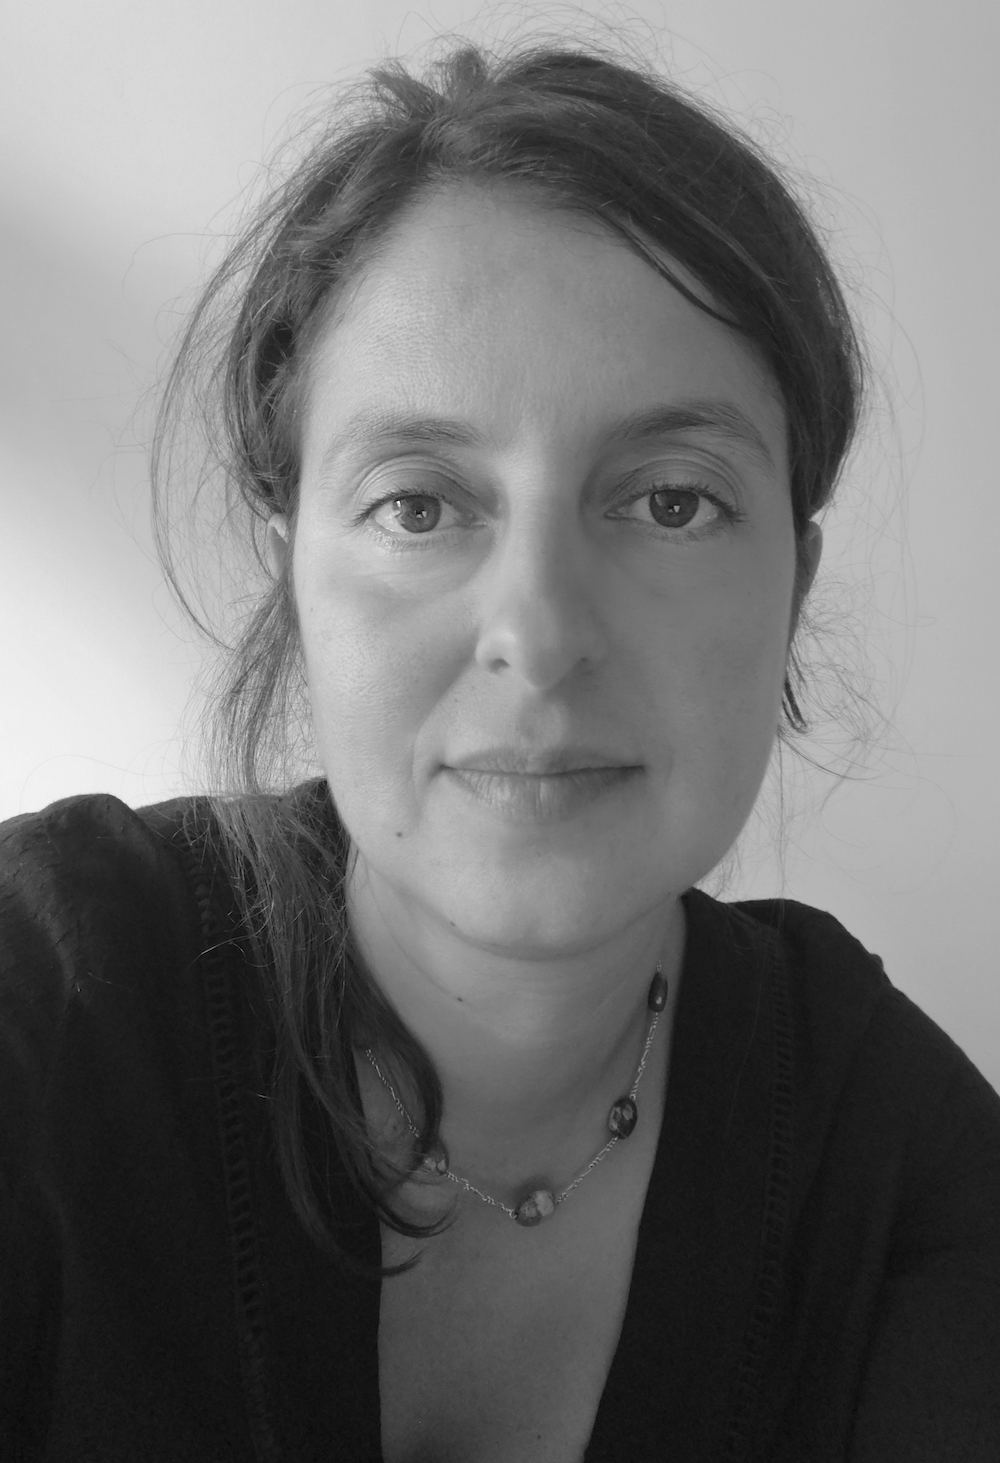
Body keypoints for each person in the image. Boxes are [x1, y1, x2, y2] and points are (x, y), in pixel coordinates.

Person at [2, 34, 998, 1463]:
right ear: (293, 576)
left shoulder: (900, 1167)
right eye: (419, 505)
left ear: (795, 581)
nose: (537, 633)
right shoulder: (50, 1007)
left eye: (670, 501)